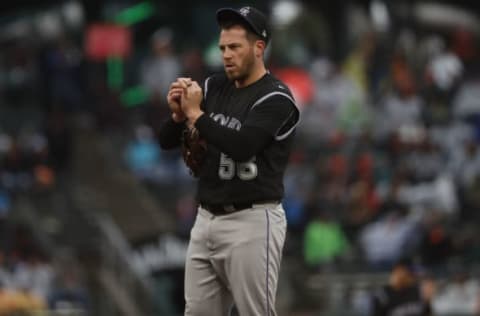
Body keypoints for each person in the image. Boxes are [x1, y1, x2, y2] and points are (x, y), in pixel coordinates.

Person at [158, 6, 300, 316]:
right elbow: (165, 140)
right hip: (206, 218)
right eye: (223, 47)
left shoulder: (276, 98)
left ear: (258, 47)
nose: (226, 55)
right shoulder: (213, 86)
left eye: (235, 47)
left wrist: (196, 114)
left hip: (251, 221)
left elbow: (242, 146)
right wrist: (178, 115)